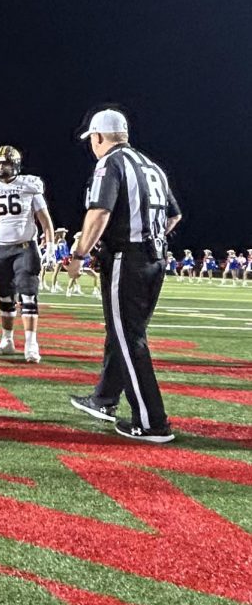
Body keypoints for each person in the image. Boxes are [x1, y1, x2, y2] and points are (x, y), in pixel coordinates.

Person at [68, 109, 181, 443]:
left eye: (92, 140)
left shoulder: (110, 163)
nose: (92, 146)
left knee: (129, 338)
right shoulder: (151, 166)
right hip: (155, 258)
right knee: (124, 333)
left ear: (100, 136)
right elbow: (174, 215)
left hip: (126, 259)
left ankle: (151, 422)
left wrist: (79, 254)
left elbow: (100, 211)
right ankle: (104, 399)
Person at [0, 145, 56, 364]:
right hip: (0, 249)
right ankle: (7, 341)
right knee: (5, 297)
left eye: (4, 163)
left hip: (24, 248)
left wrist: (50, 245)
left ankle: (31, 344)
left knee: (27, 296)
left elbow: (44, 218)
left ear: (14, 164)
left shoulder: (29, 185)